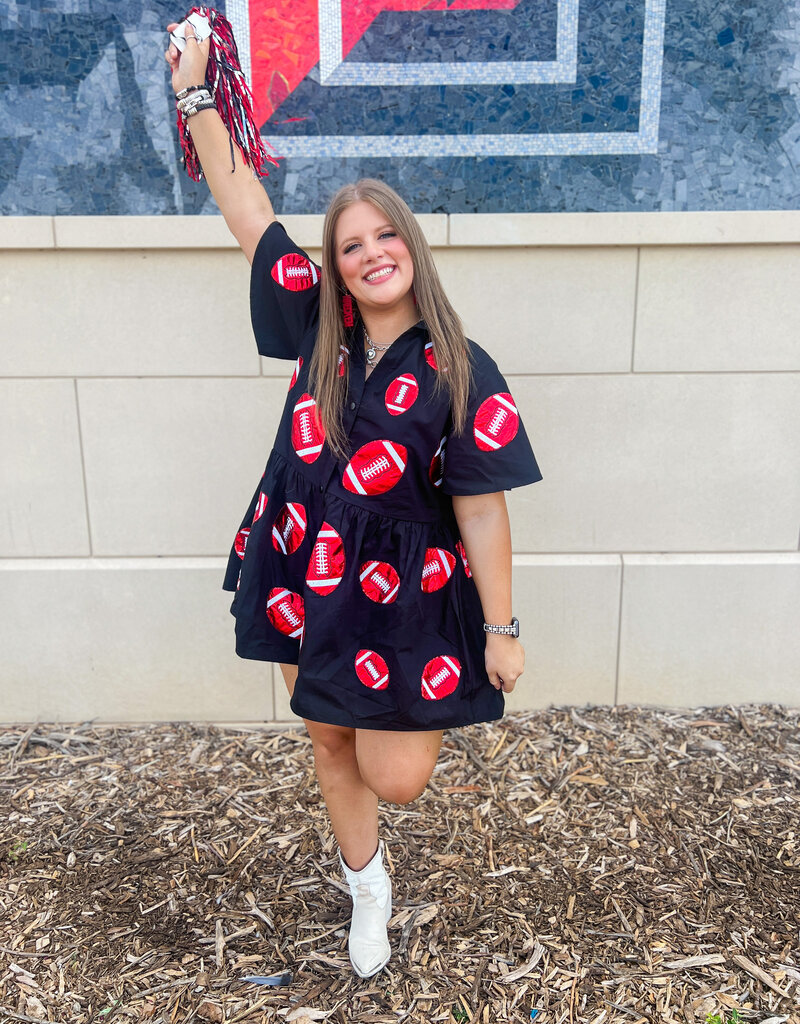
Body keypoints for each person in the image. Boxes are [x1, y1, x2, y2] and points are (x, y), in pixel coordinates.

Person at [165, 19, 543, 981]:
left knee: (398, 773)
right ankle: (365, 885)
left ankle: (376, 843)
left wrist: (501, 627)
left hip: (401, 592)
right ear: (333, 268)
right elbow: (246, 207)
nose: (371, 254)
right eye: (350, 246)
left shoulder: (463, 368)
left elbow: (485, 507)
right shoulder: (318, 328)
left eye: (386, 237)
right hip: (300, 555)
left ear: (411, 247)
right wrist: (198, 93)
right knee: (328, 737)